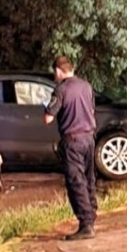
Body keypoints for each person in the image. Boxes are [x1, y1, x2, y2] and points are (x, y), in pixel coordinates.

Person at [43, 56, 98, 241]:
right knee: (89, 178)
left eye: (54, 72)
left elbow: (48, 118)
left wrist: (47, 105)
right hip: (89, 139)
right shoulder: (86, 86)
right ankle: (92, 216)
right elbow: (91, 110)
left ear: (58, 70)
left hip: (72, 141)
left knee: (76, 181)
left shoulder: (61, 89)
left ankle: (86, 224)